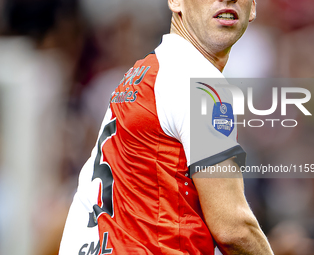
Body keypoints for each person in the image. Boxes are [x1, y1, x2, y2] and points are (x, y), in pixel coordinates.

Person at [59, 0, 274, 254]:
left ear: (253, 8)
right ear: (175, 1)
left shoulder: (141, 74)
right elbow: (233, 228)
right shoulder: (199, 82)